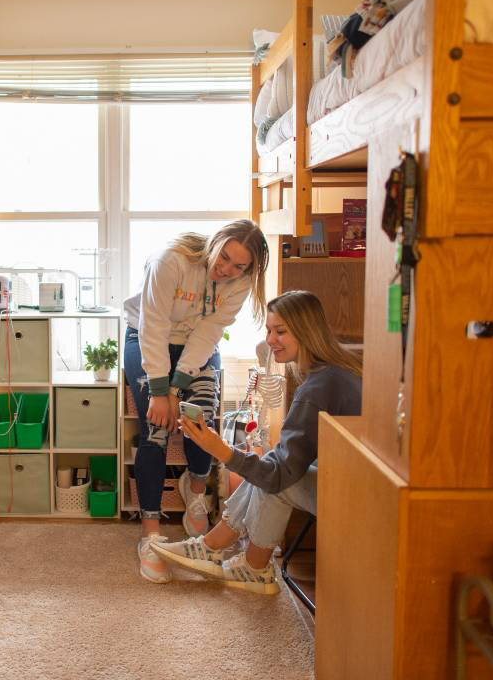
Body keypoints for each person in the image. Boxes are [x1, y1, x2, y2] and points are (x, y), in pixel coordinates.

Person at [152, 290, 361, 594]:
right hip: (354, 483)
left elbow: (277, 476)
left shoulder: (318, 388)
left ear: (306, 331)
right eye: (268, 330)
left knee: (275, 478)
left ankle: (252, 567)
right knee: (272, 464)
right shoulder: (333, 371)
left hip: (358, 499)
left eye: (280, 331)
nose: (270, 339)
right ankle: (213, 548)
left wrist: (220, 449)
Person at [124, 219, 269, 583]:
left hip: (195, 346)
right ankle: (151, 534)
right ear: (215, 243)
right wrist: (160, 391)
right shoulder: (171, 260)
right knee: (155, 429)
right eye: (225, 259)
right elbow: (152, 325)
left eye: (240, 266)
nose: (227, 270)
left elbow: (208, 333)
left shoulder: (239, 283)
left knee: (199, 419)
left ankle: (197, 489)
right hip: (146, 337)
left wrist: (177, 389)